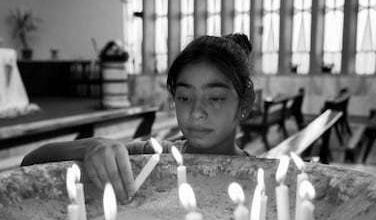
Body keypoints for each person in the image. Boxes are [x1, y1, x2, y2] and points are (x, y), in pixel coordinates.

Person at [21, 33, 256, 203]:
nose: (196, 112)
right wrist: (91, 146)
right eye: (185, 97)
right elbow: (31, 161)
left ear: (244, 104)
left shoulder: (259, 177)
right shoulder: (152, 156)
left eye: (215, 98)